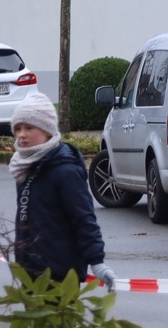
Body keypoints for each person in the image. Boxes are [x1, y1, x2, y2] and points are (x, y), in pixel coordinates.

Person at [10, 92, 115, 290]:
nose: (21, 134)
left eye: (29, 127)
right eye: (18, 128)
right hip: (30, 273)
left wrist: (97, 262)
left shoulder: (65, 171)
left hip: (60, 277)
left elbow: (84, 219)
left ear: (47, 130)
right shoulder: (24, 168)